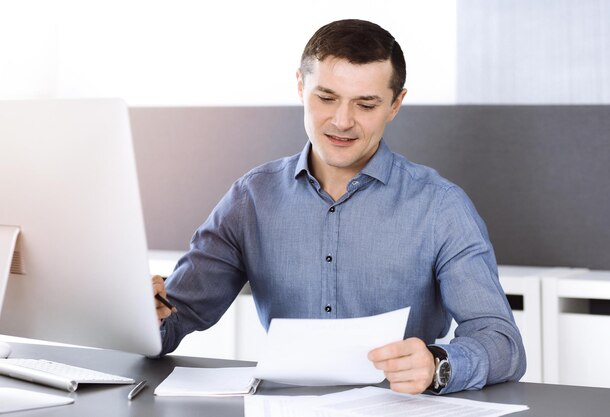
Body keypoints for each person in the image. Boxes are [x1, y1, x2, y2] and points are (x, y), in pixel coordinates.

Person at [153, 18, 526, 395]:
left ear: (395, 104)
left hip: (398, 408)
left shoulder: (441, 206)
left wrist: (437, 364)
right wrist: (145, 313)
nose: (342, 121)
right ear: (301, 86)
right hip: (286, 407)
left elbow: (502, 343)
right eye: (326, 98)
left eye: (366, 104)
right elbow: (174, 317)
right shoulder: (251, 198)